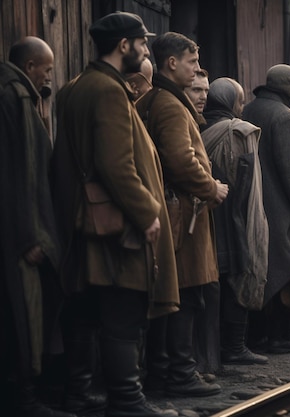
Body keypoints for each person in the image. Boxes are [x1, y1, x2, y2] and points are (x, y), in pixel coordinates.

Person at [52, 12, 180, 417]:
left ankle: (80, 395)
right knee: (123, 309)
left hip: (83, 219)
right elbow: (116, 164)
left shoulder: (75, 87)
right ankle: (126, 401)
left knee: (87, 309)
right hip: (113, 222)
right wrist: (147, 213)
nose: (145, 50)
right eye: (141, 43)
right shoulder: (108, 90)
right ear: (124, 45)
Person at [136, 32, 228, 397]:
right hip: (181, 216)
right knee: (185, 295)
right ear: (172, 63)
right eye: (191, 61)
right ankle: (180, 373)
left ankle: (167, 371)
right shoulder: (170, 104)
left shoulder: (156, 98)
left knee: (174, 295)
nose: (196, 69)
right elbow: (180, 159)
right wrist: (211, 188)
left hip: (174, 213)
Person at [0, 36, 76, 417]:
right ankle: (24, 398)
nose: (49, 74)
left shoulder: (23, 96)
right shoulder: (16, 96)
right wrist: (31, 236)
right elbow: (21, 175)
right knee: (24, 313)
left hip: (22, 233)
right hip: (24, 238)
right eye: (46, 68)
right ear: (30, 66)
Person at [242, 64, 290, 353]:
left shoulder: (249, 109)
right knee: (287, 268)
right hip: (279, 207)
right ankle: (283, 336)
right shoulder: (286, 117)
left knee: (261, 266)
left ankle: (259, 336)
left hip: (253, 202)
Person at [201, 77, 269, 364]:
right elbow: (245, 182)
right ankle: (234, 346)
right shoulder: (238, 132)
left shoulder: (200, 130)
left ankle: (220, 347)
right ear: (231, 103)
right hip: (232, 214)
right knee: (238, 276)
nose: (242, 108)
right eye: (240, 101)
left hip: (207, 213)